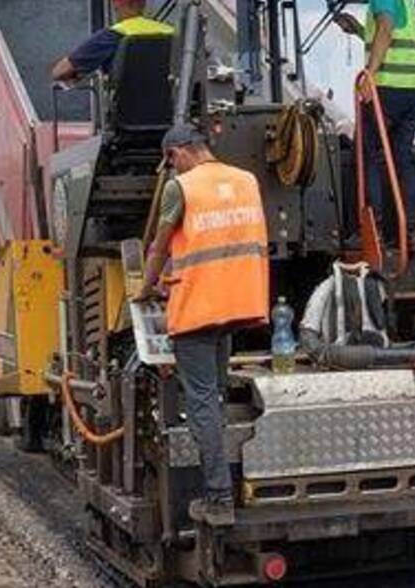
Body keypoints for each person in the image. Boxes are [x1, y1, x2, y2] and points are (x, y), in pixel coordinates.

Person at [141, 124, 269, 527]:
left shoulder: (181, 187)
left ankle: (218, 497)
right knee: (216, 397)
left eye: (171, 162)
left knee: (200, 403)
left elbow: (160, 247)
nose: (172, 169)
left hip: (197, 311)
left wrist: (145, 288)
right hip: (237, 305)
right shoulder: (246, 181)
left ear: (178, 152)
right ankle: (231, 482)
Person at [332, 0, 415, 251]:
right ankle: (410, 232)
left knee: (365, 152)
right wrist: (357, 29)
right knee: (401, 157)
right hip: (414, 90)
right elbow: (389, 33)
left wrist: (370, 73)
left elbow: (386, 29)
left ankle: (370, 229)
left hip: (388, 87)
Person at [50, 0, 175, 82]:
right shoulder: (172, 32)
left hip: (127, 102)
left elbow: (60, 72)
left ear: (115, 3)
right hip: (171, 102)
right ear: (143, 2)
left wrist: (78, 74)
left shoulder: (111, 36)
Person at [298, 261, 390, 350]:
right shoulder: (328, 286)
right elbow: (311, 318)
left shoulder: (375, 285)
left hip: (374, 343)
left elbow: (383, 310)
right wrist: (310, 334)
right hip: (340, 346)